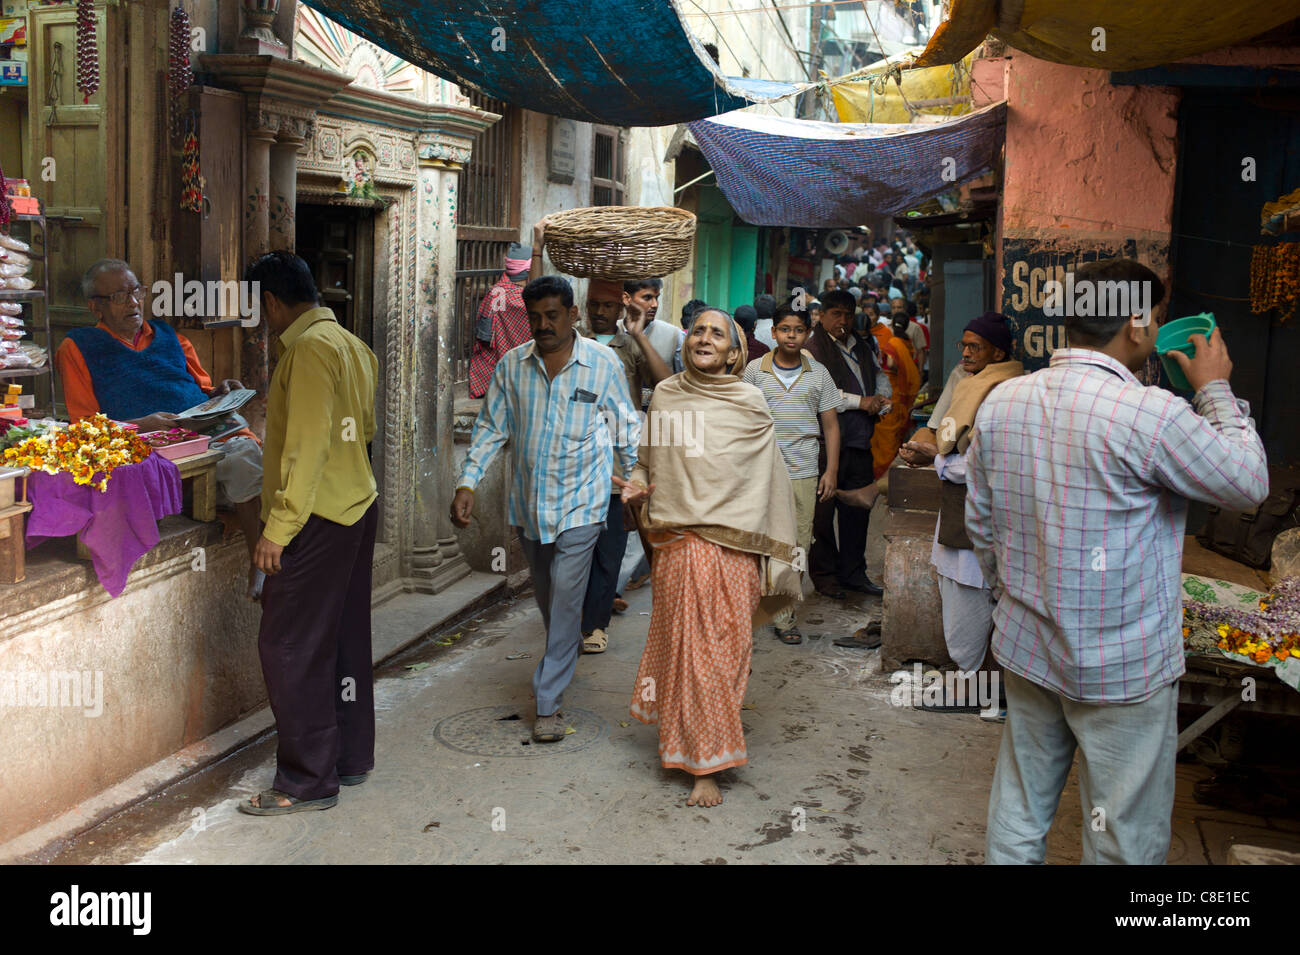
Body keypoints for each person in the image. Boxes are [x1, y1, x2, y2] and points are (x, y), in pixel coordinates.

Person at [967, 259, 1269, 864]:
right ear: (1136, 322)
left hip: (1029, 647)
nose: (1157, 330)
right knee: (1122, 835)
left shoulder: (1004, 401)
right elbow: (1248, 483)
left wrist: (1019, 599)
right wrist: (1213, 389)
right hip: (1123, 666)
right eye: (1156, 317)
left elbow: (983, 526)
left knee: (1021, 807)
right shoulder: (1151, 414)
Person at [451, 275, 640, 743]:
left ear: (572, 315)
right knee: (550, 599)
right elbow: (492, 426)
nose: (542, 325)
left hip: (583, 505)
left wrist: (636, 478)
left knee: (566, 597)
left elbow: (624, 426)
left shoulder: (603, 364)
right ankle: (565, 643)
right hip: (530, 508)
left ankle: (548, 702)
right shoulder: (513, 366)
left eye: (552, 315)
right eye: (534, 317)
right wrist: (468, 480)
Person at [624, 307, 800, 807]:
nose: (705, 338)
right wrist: (635, 490)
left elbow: (769, 483)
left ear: (734, 352)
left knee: (726, 655)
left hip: (736, 548)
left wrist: (780, 554)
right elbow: (646, 463)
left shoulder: (750, 403)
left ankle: (703, 744)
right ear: (686, 343)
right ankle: (704, 761)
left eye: (716, 333)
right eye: (698, 330)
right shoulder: (666, 396)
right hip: (680, 544)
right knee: (691, 653)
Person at [239, 251, 380, 815]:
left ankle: (305, 780)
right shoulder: (350, 344)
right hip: (354, 507)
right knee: (342, 636)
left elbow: (309, 446)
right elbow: (362, 431)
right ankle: (347, 756)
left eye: (260, 307)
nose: (260, 318)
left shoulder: (310, 350)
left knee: (288, 645)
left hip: (318, 516)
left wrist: (278, 528)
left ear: (272, 301)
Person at [58, 259, 266, 598]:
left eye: (136, 291)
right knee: (244, 464)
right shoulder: (77, 348)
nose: (134, 302)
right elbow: (85, 426)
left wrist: (220, 393)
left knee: (246, 451)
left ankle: (258, 560)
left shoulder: (171, 337)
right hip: (148, 448)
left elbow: (201, 388)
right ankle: (253, 546)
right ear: (95, 306)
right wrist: (142, 424)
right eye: (120, 296)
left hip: (201, 436)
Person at [897, 312, 1022, 714]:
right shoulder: (970, 384)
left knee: (971, 602)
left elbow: (988, 465)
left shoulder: (1002, 392)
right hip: (958, 515)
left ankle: (978, 691)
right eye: (964, 345)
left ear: (998, 352)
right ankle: (976, 686)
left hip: (982, 520)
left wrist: (936, 459)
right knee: (961, 597)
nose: (966, 353)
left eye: (976, 347)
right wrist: (928, 453)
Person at [577, 279, 671, 654]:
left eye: (607, 305)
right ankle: (572, 617)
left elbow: (665, 385)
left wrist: (638, 334)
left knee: (610, 548)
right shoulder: (571, 341)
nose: (599, 312)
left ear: (620, 308)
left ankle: (595, 625)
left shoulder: (629, 345)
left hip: (616, 466)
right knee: (573, 549)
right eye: (593, 304)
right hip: (574, 462)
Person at [743, 299, 840, 644]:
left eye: (799, 330)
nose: (791, 336)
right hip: (762, 471)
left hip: (803, 471)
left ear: (807, 334)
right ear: (773, 332)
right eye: (785, 329)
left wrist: (830, 472)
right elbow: (743, 422)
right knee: (760, 540)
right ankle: (754, 606)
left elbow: (830, 426)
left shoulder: (819, 374)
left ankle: (784, 614)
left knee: (797, 542)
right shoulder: (754, 371)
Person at [806, 289, 890, 608]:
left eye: (847, 314)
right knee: (822, 516)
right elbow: (821, 394)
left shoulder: (863, 345)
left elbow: (880, 376)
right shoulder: (812, 350)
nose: (843, 320)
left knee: (857, 511)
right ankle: (826, 577)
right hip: (825, 446)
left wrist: (881, 400)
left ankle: (854, 574)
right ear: (823, 315)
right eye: (836, 314)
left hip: (858, 440)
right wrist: (862, 402)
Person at [467, 244, 532, 400]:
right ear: (529, 270)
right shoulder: (526, 302)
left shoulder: (496, 291)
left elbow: (484, 335)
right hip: (519, 372)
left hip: (491, 372)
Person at [869, 311, 922, 479]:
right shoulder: (907, 342)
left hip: (890, 391)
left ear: (892, 325)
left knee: (886, 435)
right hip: (898, 392)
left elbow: (891, 363)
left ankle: (883, 472)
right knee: (894, 434)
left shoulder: (893, 342)